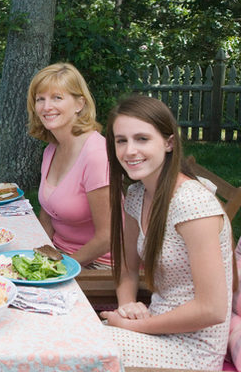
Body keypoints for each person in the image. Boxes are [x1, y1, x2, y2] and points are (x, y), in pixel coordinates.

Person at [101, 95, 233, 370]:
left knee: (76, 353)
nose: (129, 151)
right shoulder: (138, 194)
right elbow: (126, 267)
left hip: (191, 350)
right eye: (121, 140)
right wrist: (127, 306)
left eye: (142, 139)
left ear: (169, 142)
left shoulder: (192, 204)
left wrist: (135, 327)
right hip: (153, 326)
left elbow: (212, 309)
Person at [27, 63, 111, 267]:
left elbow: (107, 237)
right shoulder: (52, 149)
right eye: (40, 99)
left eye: (57, 97)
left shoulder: (96, 154)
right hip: (58, 253)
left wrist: (61, 269)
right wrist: (36, 258)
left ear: (79, 104)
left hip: (99, 263)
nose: (47, 107)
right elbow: (47, 216)